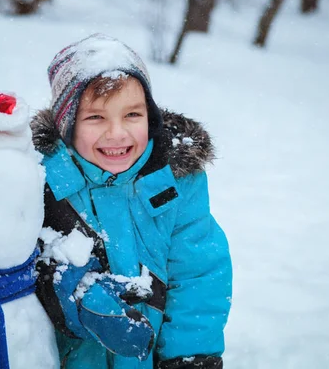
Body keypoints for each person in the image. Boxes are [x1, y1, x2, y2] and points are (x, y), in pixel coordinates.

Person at [32, 33, 232, 369]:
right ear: (66, 125)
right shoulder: (41, 181)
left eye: (132, 116)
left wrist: (189, 356)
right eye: (95, 118)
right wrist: (74, 295)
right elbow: (22, 264)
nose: (117, 133)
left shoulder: (176, 180)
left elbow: (198, 274)